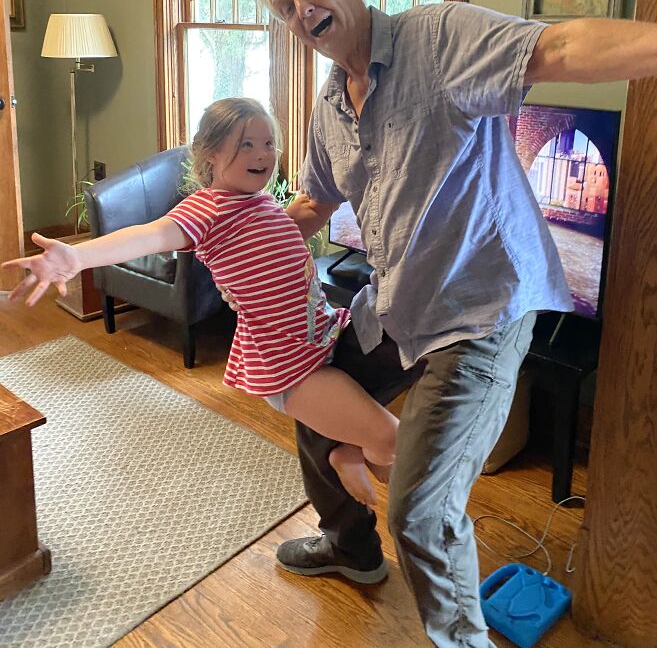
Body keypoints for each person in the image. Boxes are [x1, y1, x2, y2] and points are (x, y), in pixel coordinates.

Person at [241, 0, 657, 648]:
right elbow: (312, 204)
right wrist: (229, 234)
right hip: (397, 305)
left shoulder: (437, 36)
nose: (301, 9)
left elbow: (559, 48)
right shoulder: (330, 107)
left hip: (481, 311)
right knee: (310, 393)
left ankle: (463, 640)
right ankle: (349, 546)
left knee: (421, 511)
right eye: (283, 5)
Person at [3, 97, 398, 514]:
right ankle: (351, 453)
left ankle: (349, 450)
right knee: (392, 440)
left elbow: (294, 222)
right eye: (246, 145)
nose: (262, 154)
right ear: (210, 152)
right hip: (291, 366)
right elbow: (151, 235)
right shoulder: (206, 208)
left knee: (387, 442)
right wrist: (77, 257)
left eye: (268, 143)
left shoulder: (258, 202)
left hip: (324, 335)